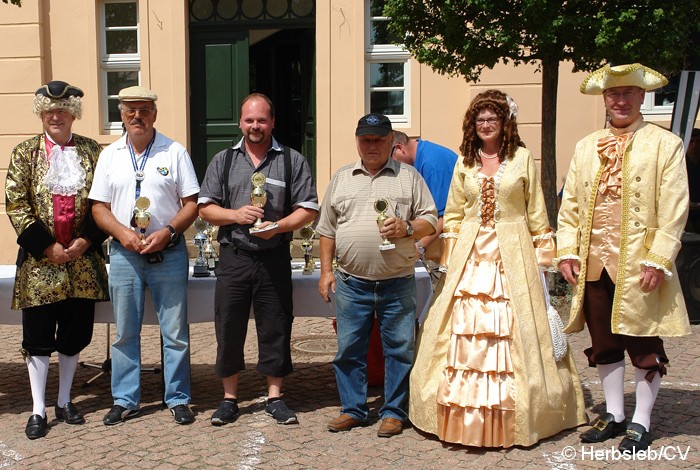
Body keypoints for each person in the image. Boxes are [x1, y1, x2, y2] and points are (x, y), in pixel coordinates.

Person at [409, 90, 587, 448]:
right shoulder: (465, 162)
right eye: (480, 120)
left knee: (517, 327)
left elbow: (537, 213)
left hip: (514, 251)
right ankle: (455, 412)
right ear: (472, 126)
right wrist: (448, 260)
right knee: (460, 327)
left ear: (505, 123)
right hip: (470, 257)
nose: (486, 125)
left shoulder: (522, 159)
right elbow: (455, 214)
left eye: (492, 119)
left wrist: (543, 259)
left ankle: (520, 413)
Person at [557, 63, 692, 453]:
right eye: (613, 94)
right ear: (604, 99)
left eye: (628, 93)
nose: (620, 100)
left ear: (641, 97)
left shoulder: (665, 144)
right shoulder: (586, 145)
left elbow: (674, 206)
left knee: (643, 343)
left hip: (639, 265)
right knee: (604, 343)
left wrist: (658, 257)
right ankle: (614, 414)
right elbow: (571, 207)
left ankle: (642, 419)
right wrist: (568, 250)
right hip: (595, 263)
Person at [198, 93, 318, 426]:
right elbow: (205, 207)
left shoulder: (292, 160)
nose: (255, 126)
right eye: (249, 120)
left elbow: (308, 209)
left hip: (274, 256)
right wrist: (236, 215)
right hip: (234, 256)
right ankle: (229, 398)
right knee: (228, 326)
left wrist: (278, 226)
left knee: (276, 325)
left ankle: (275, 397)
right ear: (240, 123)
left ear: (272, 122)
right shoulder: (223, 160)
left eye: (262, 120)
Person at [317, 113, 438, 438]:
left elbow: (432, 219)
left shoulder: (409, 177)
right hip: (351, 283)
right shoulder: (342, 178)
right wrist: (326, 271)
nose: (371, 145)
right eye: (365, 139)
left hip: (397, 281)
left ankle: (394, 412)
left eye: (378, 140)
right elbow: (327, 230)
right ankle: (353, 409)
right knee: (348, 350)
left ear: (392, 142)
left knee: (400, 349)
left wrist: (408, 227)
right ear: (358, 141)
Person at [89, 86, 200, 425]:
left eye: (144, 110)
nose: (137, 116)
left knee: (175, 332)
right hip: (125, 254)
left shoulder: (174, 151)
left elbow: (192, 203)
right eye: (130, 110)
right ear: (121, 113)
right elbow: (99, 208)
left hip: (168, 251)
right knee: (124, 332)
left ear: (154, 113)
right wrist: (122, 234)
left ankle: (178, 398)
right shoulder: (110, 155)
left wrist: (168, 232)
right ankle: (125, 399)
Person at [5, 81, 109, 439]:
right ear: (41, 114)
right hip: (39, 265)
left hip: (82, 263)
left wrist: (85, 241)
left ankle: (65, 401)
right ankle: (37, 409)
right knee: (37, 339)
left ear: (73, 114)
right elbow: (16, 204)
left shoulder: (93, 151)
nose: (56, 116)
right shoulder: (24, 153)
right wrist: (47, 246)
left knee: (74, 334)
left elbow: (103, 203)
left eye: (63, 110)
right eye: (49, 111)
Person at [391, 131, 458, 263]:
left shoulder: (434, 166)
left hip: (448, 250)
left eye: (389, 159)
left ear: (399, 148)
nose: (391, 165)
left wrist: (419, 248)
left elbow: (443, 217)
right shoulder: (422, 158)